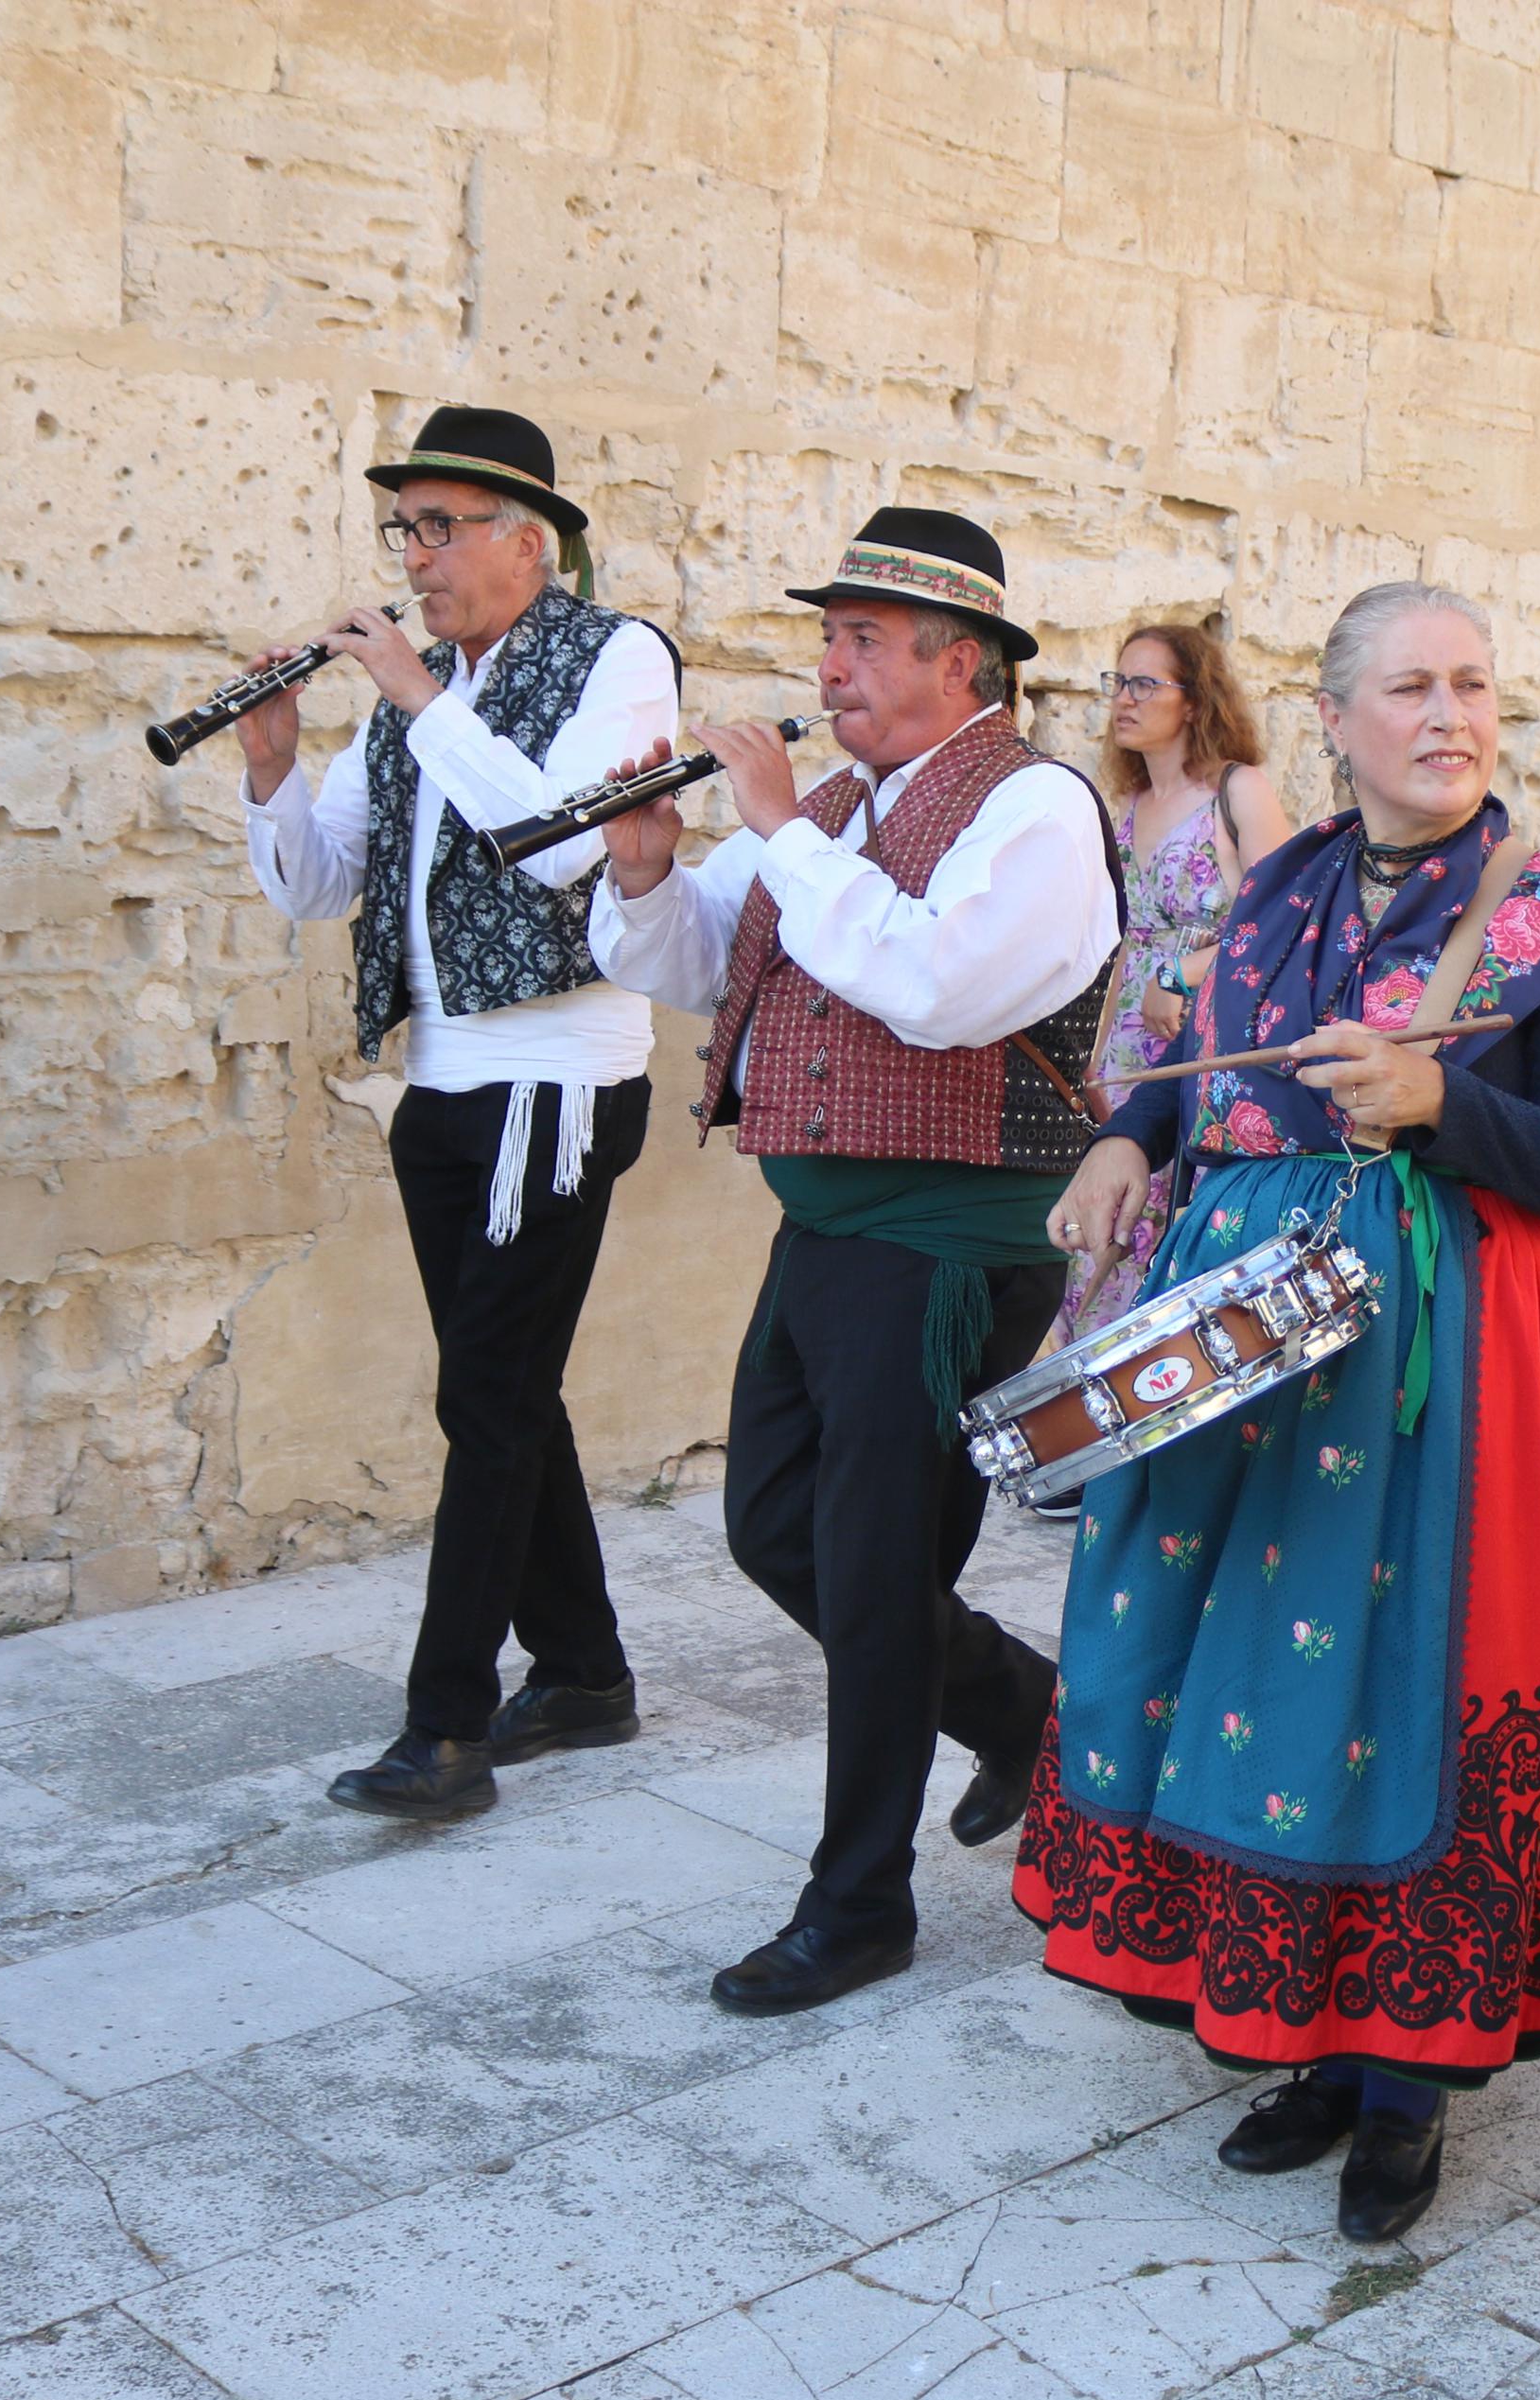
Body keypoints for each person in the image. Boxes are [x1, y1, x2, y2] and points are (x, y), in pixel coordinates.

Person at [1015, 581, 1540, 2247]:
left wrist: (1443, 1103)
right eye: (1410, 686)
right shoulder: (1271, 903)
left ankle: (1406, 2083)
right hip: (1254, 1352)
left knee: (1412, 1685)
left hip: (1460, 1363)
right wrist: (1129, 1150)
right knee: (1256, 1682)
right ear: (1332, 719)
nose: (1450, 712)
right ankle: (1307, 2034)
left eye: (1473, 683)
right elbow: (1208, 1102)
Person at [587, 507, 1124, 2013]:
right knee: (775, 1530)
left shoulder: (1034, 812)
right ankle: (1021, 1704)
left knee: (880, 1570)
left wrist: (778, 831)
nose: (827, 667)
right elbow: (714, 965)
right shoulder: (837, 807)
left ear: (963, 664)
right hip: (825, 1229)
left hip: (946, 1242)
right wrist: (641, 872)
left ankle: (858, 1902)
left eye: (861, 640)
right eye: (829, 636)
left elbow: (933, 984)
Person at [235, 405, 681, 1823]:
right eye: (403, 529)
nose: (414, 558)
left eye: (437, 527)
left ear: (522, 539)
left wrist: (429, 706)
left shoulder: (614, 657)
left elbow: (557, 842)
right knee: (503, 1388)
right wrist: (268, 763)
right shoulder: (411, 695)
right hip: (439, 1082)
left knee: (482, 1399)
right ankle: (587, 1668)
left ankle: (446, 1728)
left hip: (554, 1083)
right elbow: (318, 887)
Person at [1052, 622, 1290, 1343]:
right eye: (1116, 682)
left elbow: (1284, 926)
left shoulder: (1236, 791)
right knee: (1103, 1223)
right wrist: (1090, 1055)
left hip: (1194, 1042)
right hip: (1120, 1055)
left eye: (1143, 683)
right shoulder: (1122, 809)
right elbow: (1118, 945)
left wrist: (1176, 972)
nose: (1122, 699)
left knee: (1161, 1219)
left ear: (1194, 700)